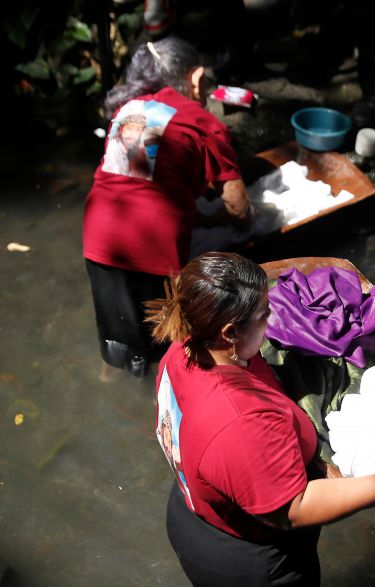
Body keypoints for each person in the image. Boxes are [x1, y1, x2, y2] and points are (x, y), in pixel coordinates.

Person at [145, 251, 375, 587]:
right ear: (229, 332)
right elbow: (292, 508)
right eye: (263, 314)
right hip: (250, 561)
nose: (272, 318)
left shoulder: (182, 350)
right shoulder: (238, 423)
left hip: (193, 510)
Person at [83, 36, 253, 379]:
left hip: (99, 242)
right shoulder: (202, 121)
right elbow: (237, 206)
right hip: (153, 253)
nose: (206, 93)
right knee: (168, 350)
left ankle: (109, 383)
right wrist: (243, 222)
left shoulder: (131, 109)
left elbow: (139, 186)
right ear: (195, 77)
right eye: (205, 84)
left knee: (119, 342)